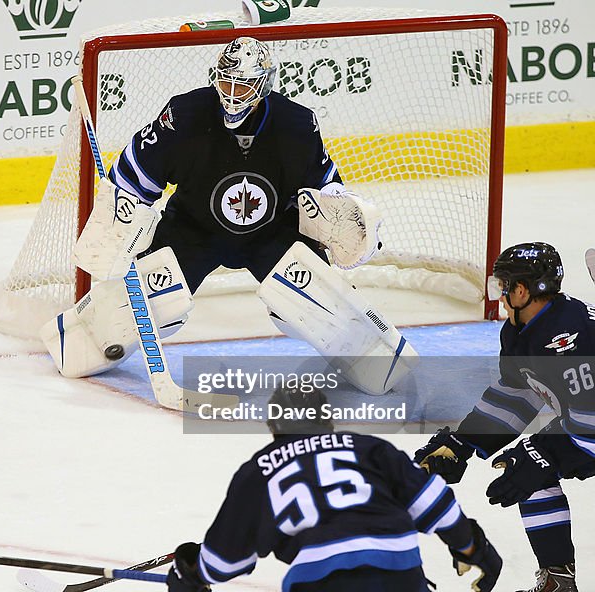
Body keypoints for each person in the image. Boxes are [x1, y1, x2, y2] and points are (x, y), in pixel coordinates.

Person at [41, 36, 417, 396]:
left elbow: (325, 186)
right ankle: (79, 337)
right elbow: (134, 170)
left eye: (243, 86)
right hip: (193, 229)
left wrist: (347, 217)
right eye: (226, 81)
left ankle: (375, 358)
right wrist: (122, 217)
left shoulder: (296, 125)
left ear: (264, 86)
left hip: (271, 234)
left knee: (308, 298)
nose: (232, 94)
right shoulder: (185, 115)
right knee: (156, 301)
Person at [166, 385, 501, 592]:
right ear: (327, 421)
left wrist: (191, 573)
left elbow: (221, 565)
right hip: (399, 572)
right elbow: (439, 508)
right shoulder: (369, 448)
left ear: (273, 427)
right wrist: (473, 548)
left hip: (318, 580)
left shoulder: (257, 472)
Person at [414, 242, 593, 592]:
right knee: (530, 464)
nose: (499, 293)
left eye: (502, 285)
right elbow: (519, 394)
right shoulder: (524, 328)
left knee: (532, 463)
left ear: (522, 290)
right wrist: (464, 443)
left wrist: (549, 455)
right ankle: (558, 581)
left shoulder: (569, 340)